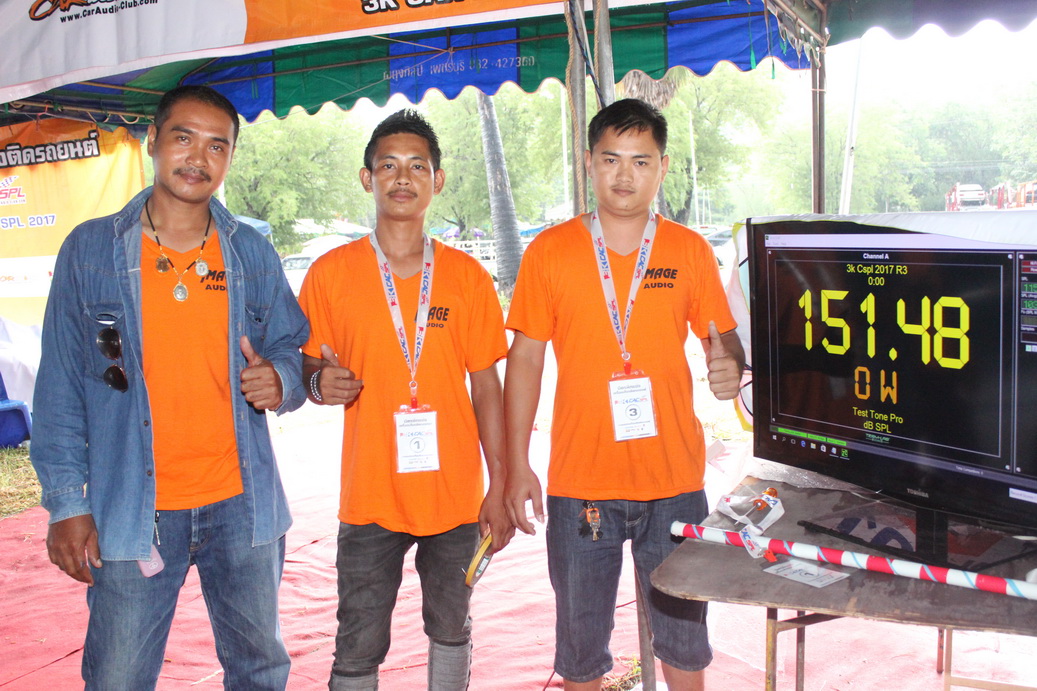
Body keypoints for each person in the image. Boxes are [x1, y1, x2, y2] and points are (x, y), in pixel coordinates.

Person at [30, 85, 309, 690]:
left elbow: (292, 347)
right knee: (118, 677)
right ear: (153, 141)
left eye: (217, 146)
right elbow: (59, 387)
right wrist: (67, 504)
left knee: (260, 670)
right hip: (132, 506)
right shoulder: (91, 249)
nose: (198, 158)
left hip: (243, 503)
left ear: (229, 158)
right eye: (184, 138)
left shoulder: (251, 252)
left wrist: (282, 378)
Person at [503, 98, 745, 691]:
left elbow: (725, 342)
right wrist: (515, 464)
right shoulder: (549, 251)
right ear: (589, 162)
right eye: (611, 159)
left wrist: (729, 367)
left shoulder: (688, 250)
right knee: (581, 650)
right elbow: (526, 360)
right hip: (581, 486)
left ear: (663, 168)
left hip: (674, 481)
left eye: (641, 161)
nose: (624, 175)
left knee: (685, 644)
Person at [297, 109, 512, 691]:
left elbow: (487, 387)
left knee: (452, 627)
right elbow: (308, 367)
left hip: (455, 496)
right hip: (370, 494)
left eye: (417, 167)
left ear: (437, 181)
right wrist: (318, 383)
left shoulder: (467, 277)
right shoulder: (330, 274)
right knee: (358, 641)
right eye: (388, 165)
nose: (402, 178)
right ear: (367, 178)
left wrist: (499, 483)